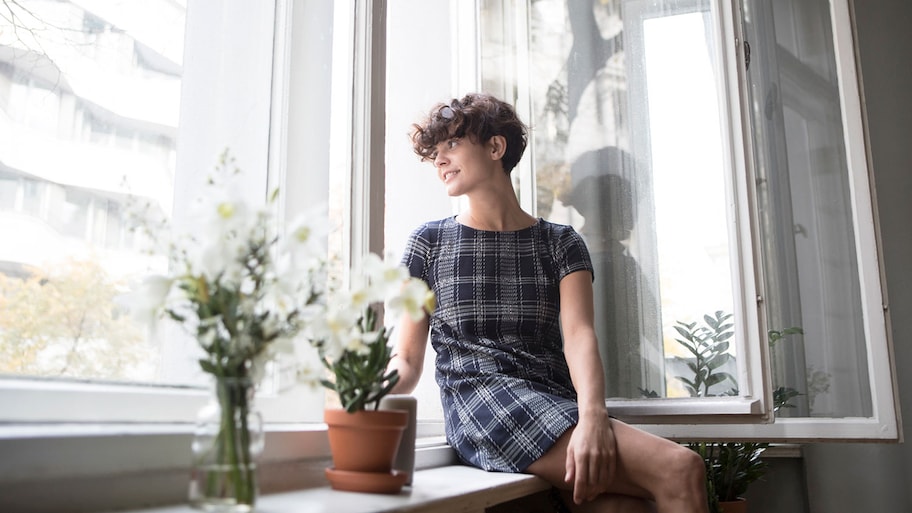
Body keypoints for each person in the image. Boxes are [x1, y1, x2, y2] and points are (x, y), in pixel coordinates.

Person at [388, 92, 707, 512]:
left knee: (622, 509)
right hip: (483, 405)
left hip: (555, 402)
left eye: (451, 144)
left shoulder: (560, 243)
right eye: (435, 152)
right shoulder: (428, 244)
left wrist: (593, 416)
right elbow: (407, 361)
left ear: (495, 147)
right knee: (682, 468)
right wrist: (357, 392)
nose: (440, 160)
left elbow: (579, 336)